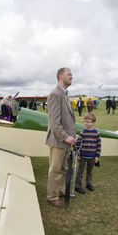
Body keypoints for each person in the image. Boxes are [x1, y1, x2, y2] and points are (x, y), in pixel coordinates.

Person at [45, 67, 76, 207]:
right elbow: (54, 123)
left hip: (65, 141)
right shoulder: (55, 94)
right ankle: (52, 196)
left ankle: (61, 191)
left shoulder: (64, 94)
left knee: (63, 168)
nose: (72, 76)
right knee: (55, 169)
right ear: (60, 76)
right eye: (69, 74)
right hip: (58, 140)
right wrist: (66, 137)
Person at [74, 113, 101, 194]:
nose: (86, 123)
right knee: (80, 172)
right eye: (85, 121)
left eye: (89, 122)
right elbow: (78, 144)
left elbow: (98, 145)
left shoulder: (97, 133)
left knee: (89, 172)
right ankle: (77, 186)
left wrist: (97, 156)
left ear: (93, 122)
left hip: (92, 157)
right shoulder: (82, 133)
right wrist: (78, 155)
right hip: (83, 156)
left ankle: (88, 184)